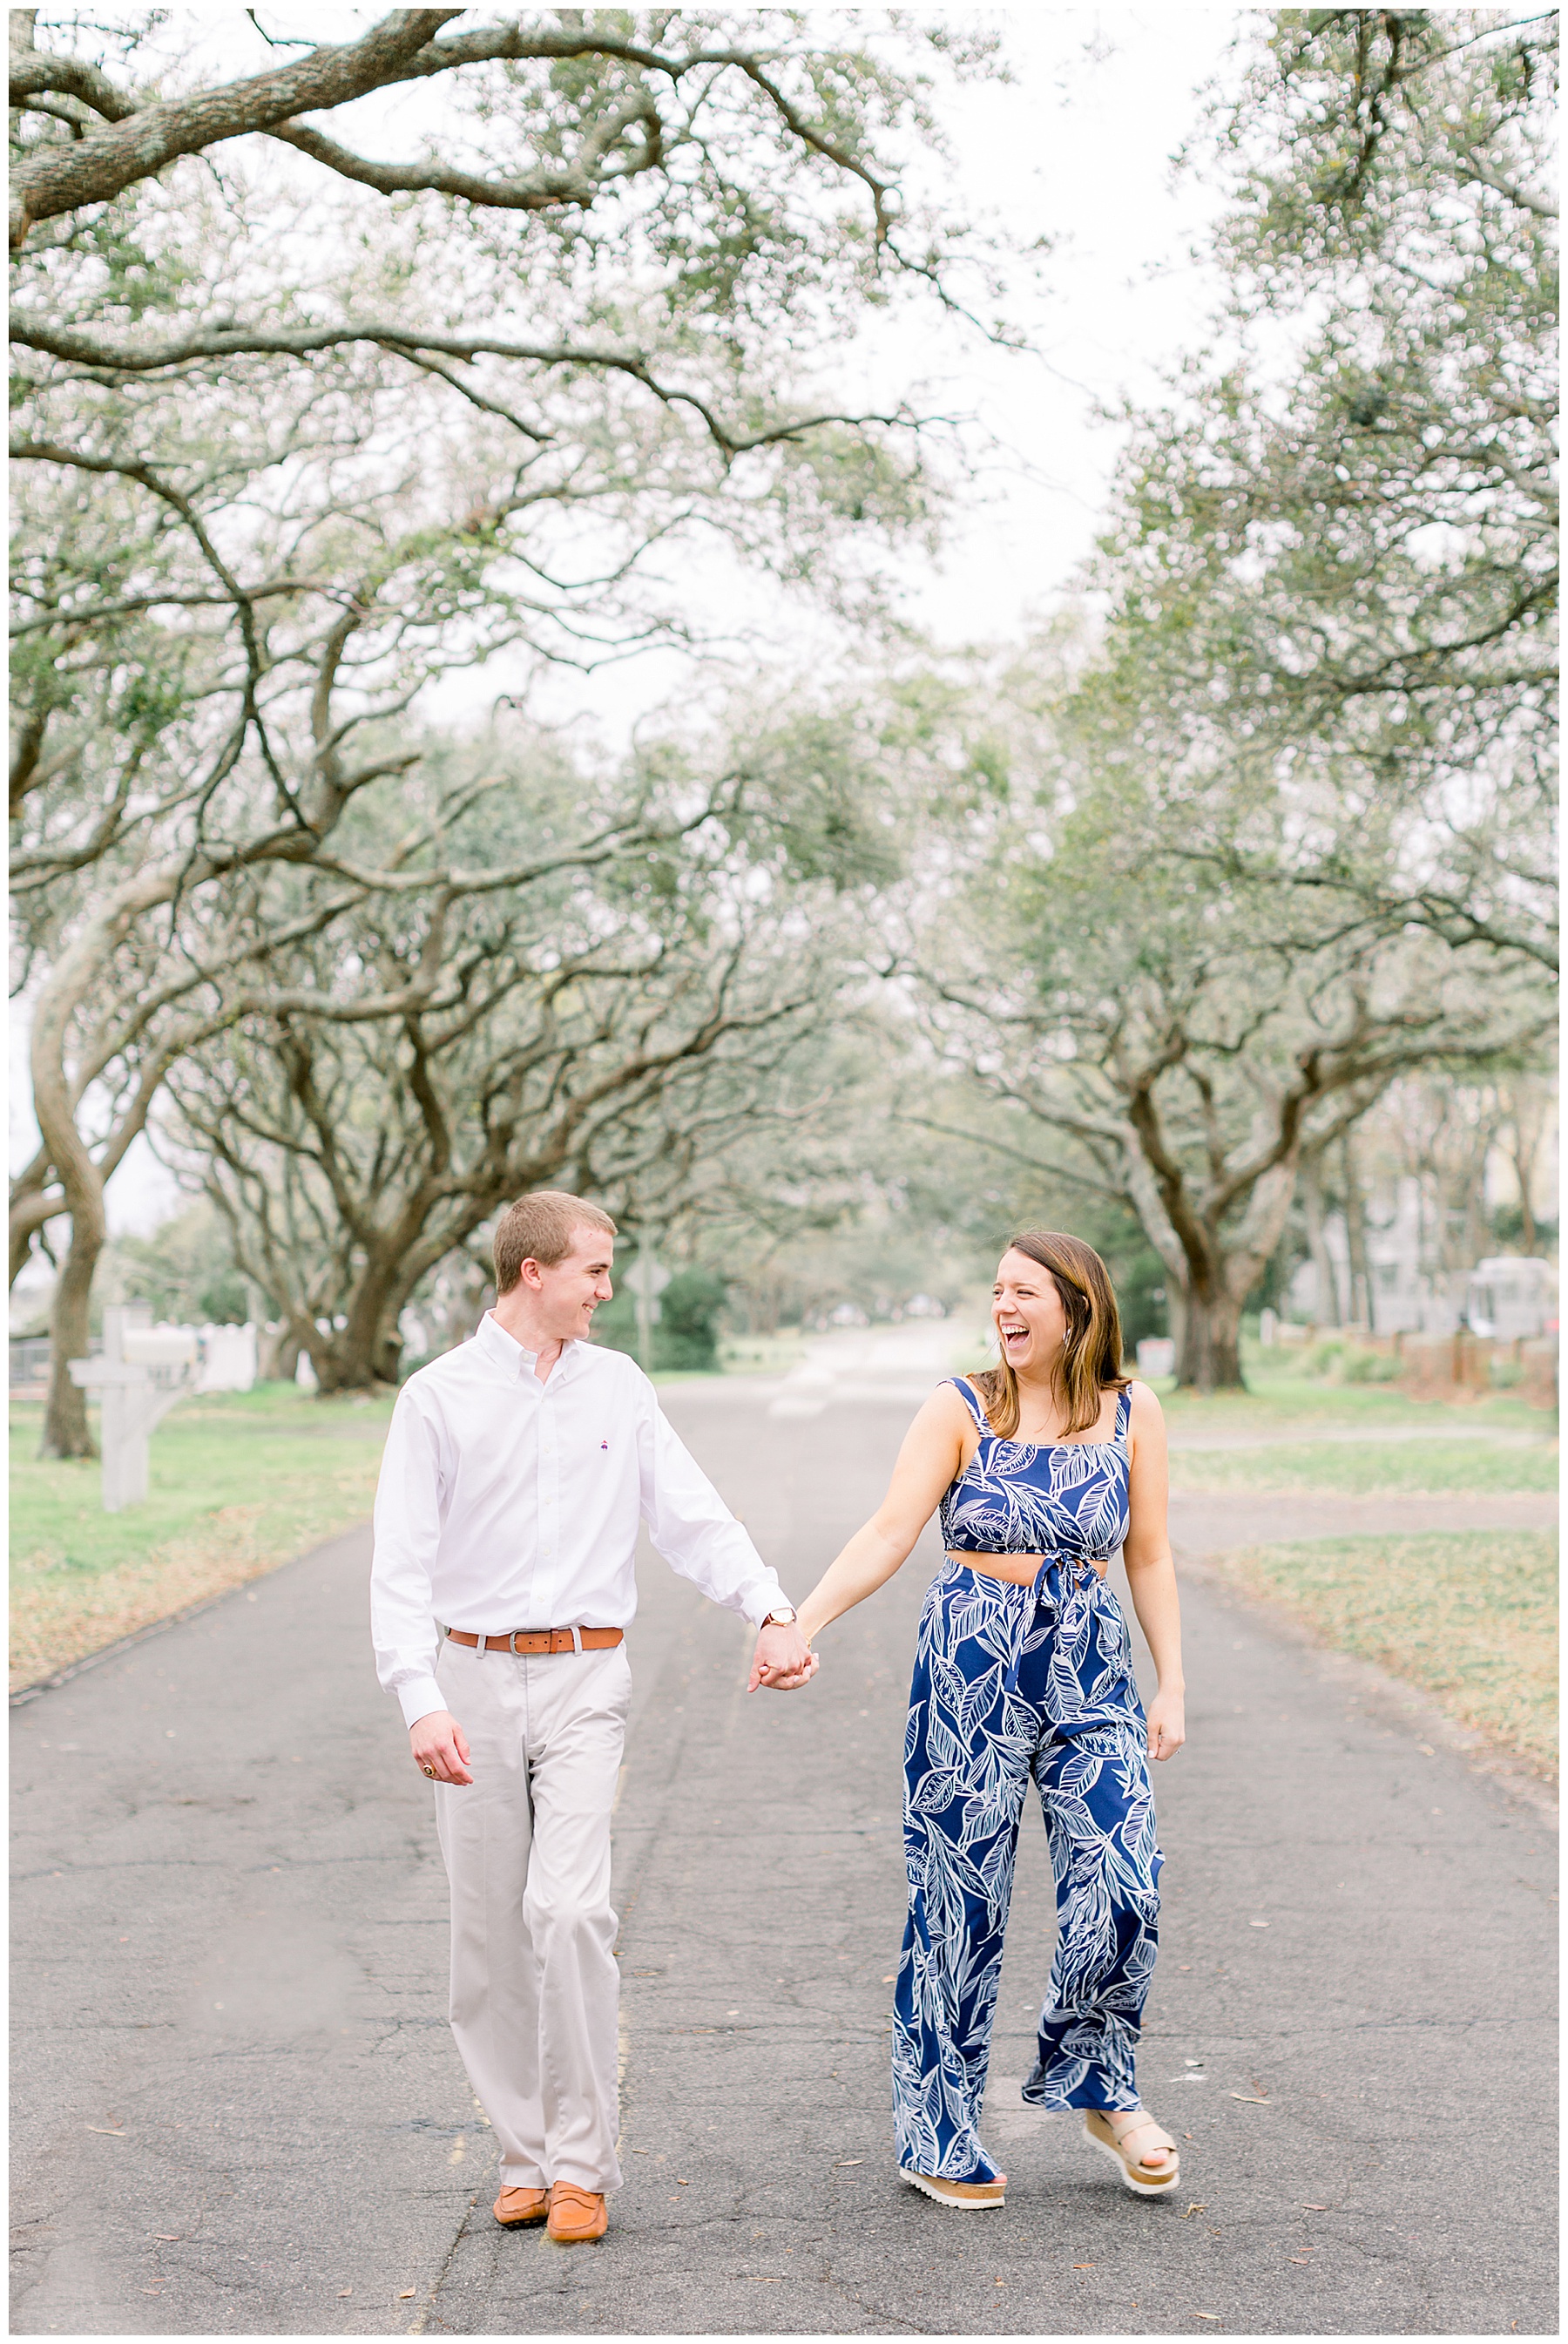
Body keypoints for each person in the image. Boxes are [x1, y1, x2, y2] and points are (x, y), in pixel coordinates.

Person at [370, 1190, 813, 2246]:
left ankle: (580, 2163)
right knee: (484, 1940)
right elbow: (401, 1559)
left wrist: (769, 1606)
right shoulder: (437, 1397)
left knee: (568, 1911)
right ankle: (523, 2152)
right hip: (470, 1680)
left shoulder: (617, 1385)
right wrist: (419, 1693)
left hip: (585, 1678)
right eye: (595, 1271)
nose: (607, 1290)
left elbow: (688, 1511)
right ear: (535, 1272)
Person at [786, 1231, 1186, 2210]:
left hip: (1091, 1663)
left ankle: (1098, 2081)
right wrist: (803, 1621)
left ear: (1077, 1304)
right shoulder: (961, 1406)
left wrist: (1172, 1681)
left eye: (1026, 1292)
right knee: (958, 1901)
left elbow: (1151, 1554)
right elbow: (890, 1528)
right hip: (972, 1659)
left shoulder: (1132, 1409)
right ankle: (939, 2132)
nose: (1004, 1307)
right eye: (997, 1291)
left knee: (1126, 1881)